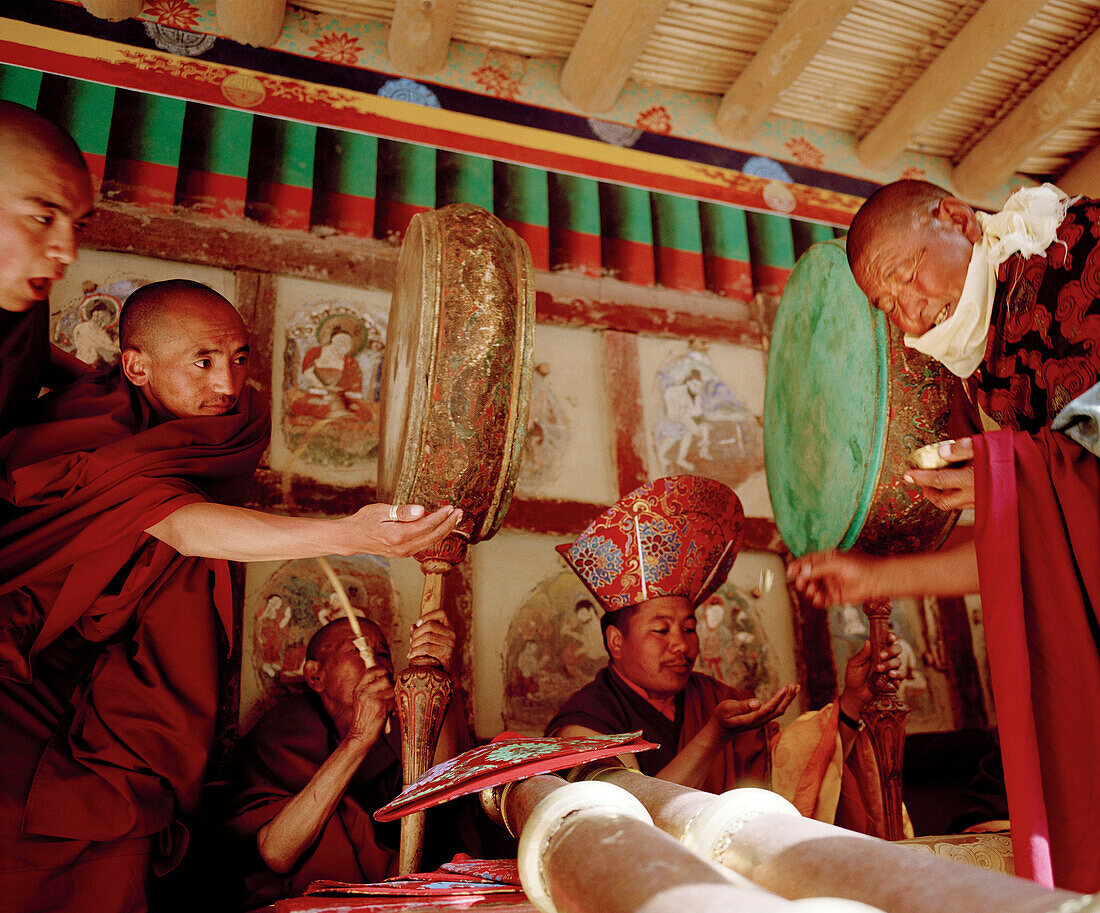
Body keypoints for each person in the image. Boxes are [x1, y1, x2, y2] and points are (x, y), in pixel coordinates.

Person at [0, 279, 462, 913]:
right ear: (136, 366)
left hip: (99, 682)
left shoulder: (213, 426)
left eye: (239, 357)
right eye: (204, 360)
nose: (228, 382)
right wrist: (353, 531)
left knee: (117, 834)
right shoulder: (94, 435)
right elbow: (181, 525)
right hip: (17, 675)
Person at [789, 180, 1100, 891]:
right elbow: (1032, 549)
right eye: (887, 305)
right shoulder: (988, 381)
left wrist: (1014, 477)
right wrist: (870, 577)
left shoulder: (1083, 252)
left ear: (958, 219)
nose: (909, 311)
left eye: (906, 276)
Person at [546, 476, 904, 836]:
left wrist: (853, 701)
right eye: (661, 630)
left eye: (689, 628)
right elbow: (631, 820)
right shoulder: (587, 723)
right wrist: (715, 734)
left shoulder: (714, 697)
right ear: (616, 641)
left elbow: (785, 775)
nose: (682, 646)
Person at [224, 612, 461, 909]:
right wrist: (358, 739)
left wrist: (442, 673)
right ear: (315, 676)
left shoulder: (396, 730)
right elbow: (276, 852)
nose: (377, 661)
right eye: (357, 649)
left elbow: (441, 791)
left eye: (383, 653)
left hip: (397, 891)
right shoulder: (288, 724)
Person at [0, 100, 96, 433]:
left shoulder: (22, 289)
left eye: (79, 226)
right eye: (43, 218)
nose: (68, 252)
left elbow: (26, 355)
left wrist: (107, 386)